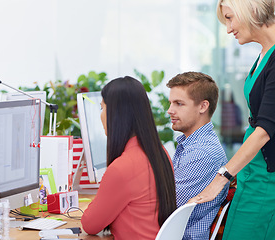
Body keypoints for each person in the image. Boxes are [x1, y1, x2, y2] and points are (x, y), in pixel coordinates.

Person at [189, 1, 275, 239]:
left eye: (229, 18)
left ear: (250, 10)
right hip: (252, 173)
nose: (228, 29)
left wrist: (221, 178)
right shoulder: (264, 55)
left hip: (267, 181)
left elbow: (265, 130)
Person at [81, 76, 177, 240]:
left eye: (102, 108)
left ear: (117, 114)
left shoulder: (123, 168)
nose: (101, 115)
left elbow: (90, 225)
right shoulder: (160, 152)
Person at [167, 72, 229, 240]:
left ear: (203, 106)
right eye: (171, 103)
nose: (169, 110)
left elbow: (168, 209)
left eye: (179, 104)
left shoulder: (201, 154)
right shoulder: (192, 145)